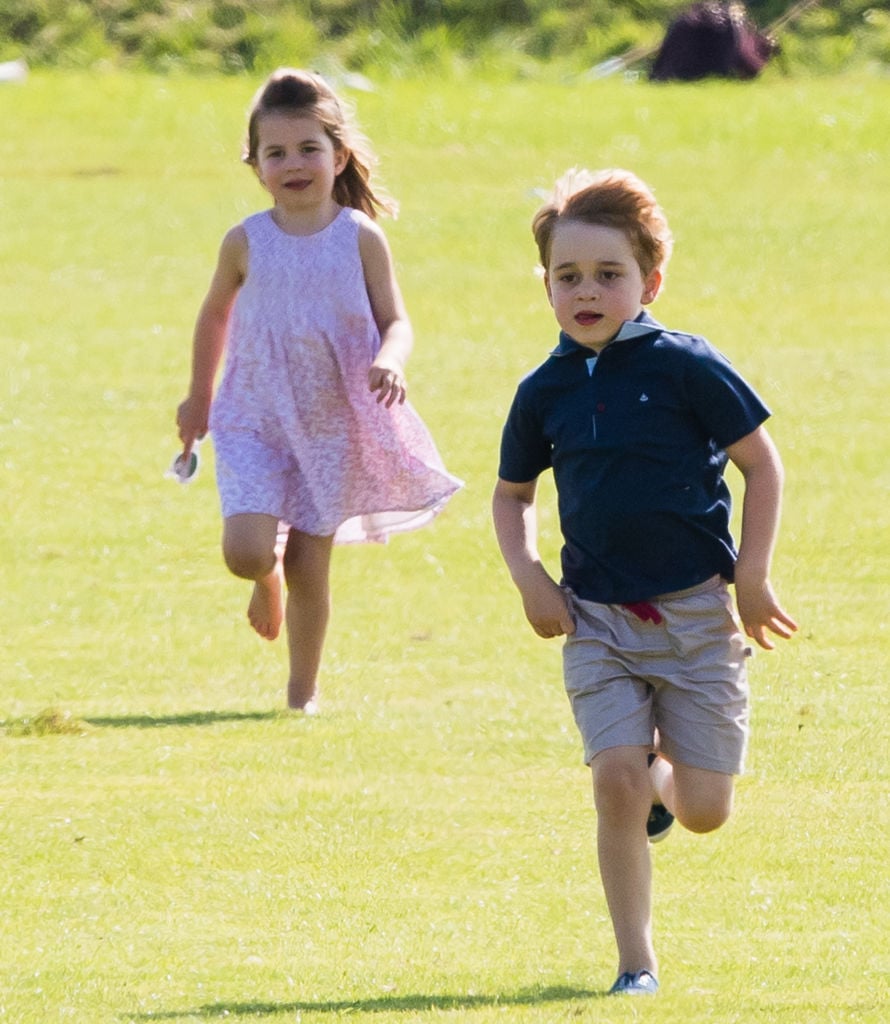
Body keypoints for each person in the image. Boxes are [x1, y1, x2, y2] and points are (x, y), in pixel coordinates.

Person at [492, 168, 796, 996]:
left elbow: (762, 468)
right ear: (546, 284)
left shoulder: (688, 367)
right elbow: (512, 496)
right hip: (596, 620)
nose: (586, 291)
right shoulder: (543, 391)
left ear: (649, 281)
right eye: (568, 277)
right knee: (612, 778)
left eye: (608, 274)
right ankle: (636, 965)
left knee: (704, 810)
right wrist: (530, 578)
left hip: (699, 616)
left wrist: (754, 578)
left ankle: (671, 784)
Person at [176, 68, 462, 713]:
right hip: (252, 413)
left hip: (334, 420)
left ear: (340, 156)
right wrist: (198, 398)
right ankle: (263, 575)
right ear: (256, 166)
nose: (294, 163)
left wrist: (391, 359)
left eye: (309, 148)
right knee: (245, 551)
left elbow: (397, 320)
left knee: (313, 561)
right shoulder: (245, 241)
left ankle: (301, 692)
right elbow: (214, 316)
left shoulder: (359, 237)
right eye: (276, 153)